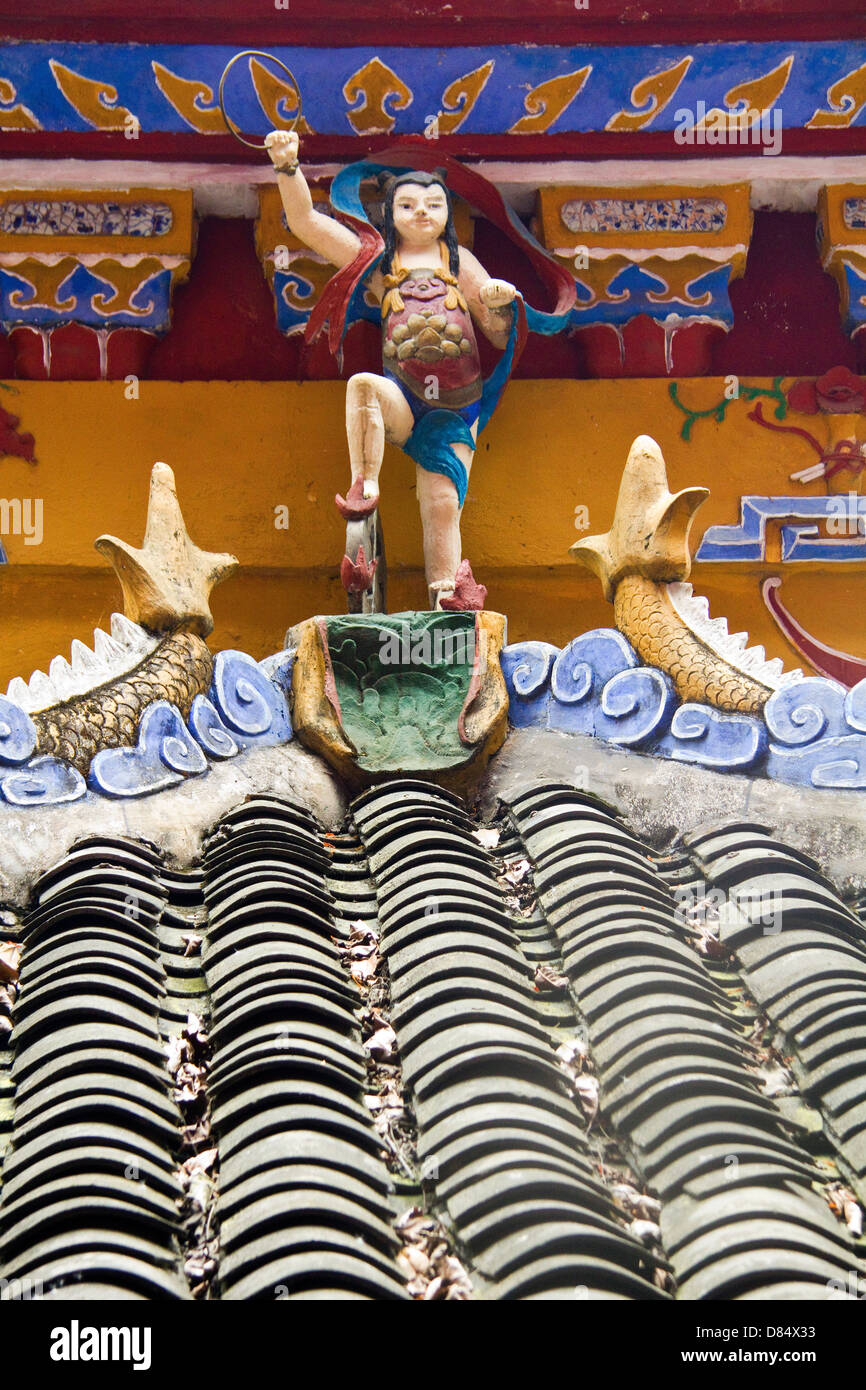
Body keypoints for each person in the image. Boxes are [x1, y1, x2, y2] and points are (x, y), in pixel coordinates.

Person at [265, 129, 573, 609]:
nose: (421, 212)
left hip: (456, 405)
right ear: (388, 214)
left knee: (442, 505)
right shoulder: (379, 264)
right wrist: (287, 166)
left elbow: (494, 333)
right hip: (403, 396)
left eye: (433, 203)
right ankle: (363, 490)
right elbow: (306, 222)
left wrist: (499, 305)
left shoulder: (459, 261)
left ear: (449, 213)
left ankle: (445, 599)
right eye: (407, 205)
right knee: (363, 387)